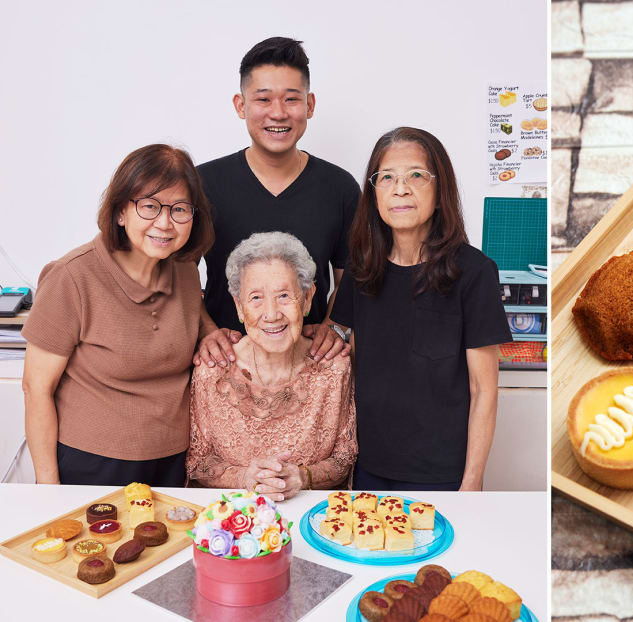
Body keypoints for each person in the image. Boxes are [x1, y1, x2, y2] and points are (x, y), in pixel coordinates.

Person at [330, 127, 512, 491]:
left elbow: (484, 389)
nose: (401, 188)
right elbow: (346, 357)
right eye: (387, 178)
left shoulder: (474, 273)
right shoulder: (361, 269)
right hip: (369, 468)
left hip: (444, 475)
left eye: (416, 175)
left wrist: (472, 480)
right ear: (374, 193)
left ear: (440, 190)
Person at [21, 144, 215, 486]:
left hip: (172, 463)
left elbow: (192, 320)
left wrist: (212, 332)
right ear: (120, 212)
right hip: (90, 465)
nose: (165, 223)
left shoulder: (186, 272)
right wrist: (47, 489)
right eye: (150, 206)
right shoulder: (72, 276)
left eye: (179, 209)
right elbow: (36, 388)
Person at [194, 36, 357, 369]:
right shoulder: (202, 183)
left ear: (310, 105)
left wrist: (334, 326)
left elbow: (353, 278)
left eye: (291, 99)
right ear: (241, 105)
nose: (278, 113)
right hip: (223, 367)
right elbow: (175, 273)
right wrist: (206, 331)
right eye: (264, 99)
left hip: (309, 370)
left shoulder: (339, 186)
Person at [186, 232, 356, 500]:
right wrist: (246, 478)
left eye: (285, 295)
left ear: (308, 298)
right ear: (239, 307)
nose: (272, 313)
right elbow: (198, 463)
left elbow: (344, 460)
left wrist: (301, 477)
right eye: (255, 298)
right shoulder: (213, 369)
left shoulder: (333, 367)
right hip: (230, 520)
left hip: (311, 518)